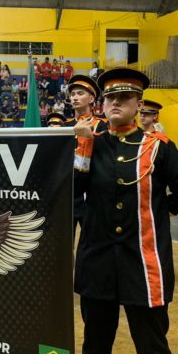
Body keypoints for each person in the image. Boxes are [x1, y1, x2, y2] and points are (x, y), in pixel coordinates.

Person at [68, 68, 178, 354]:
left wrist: (159, 211)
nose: (115, 104)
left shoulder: (158, 147)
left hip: (145, 264)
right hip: (99, 263)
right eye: (109, 99)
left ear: (139, 104)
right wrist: (79, 154)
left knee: (153, 348)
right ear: (101, 104)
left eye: (124, 99)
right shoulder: (90, 143)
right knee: (96, 344)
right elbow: (71, 193)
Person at [65, 75, 107, 236]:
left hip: (91, 194)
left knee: (93, 242)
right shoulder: (66, 126)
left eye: (80, 93)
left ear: (91, 98)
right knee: (65, 243)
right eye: (73, 94)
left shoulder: (101, 125)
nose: (75, 97)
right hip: (68, 194)